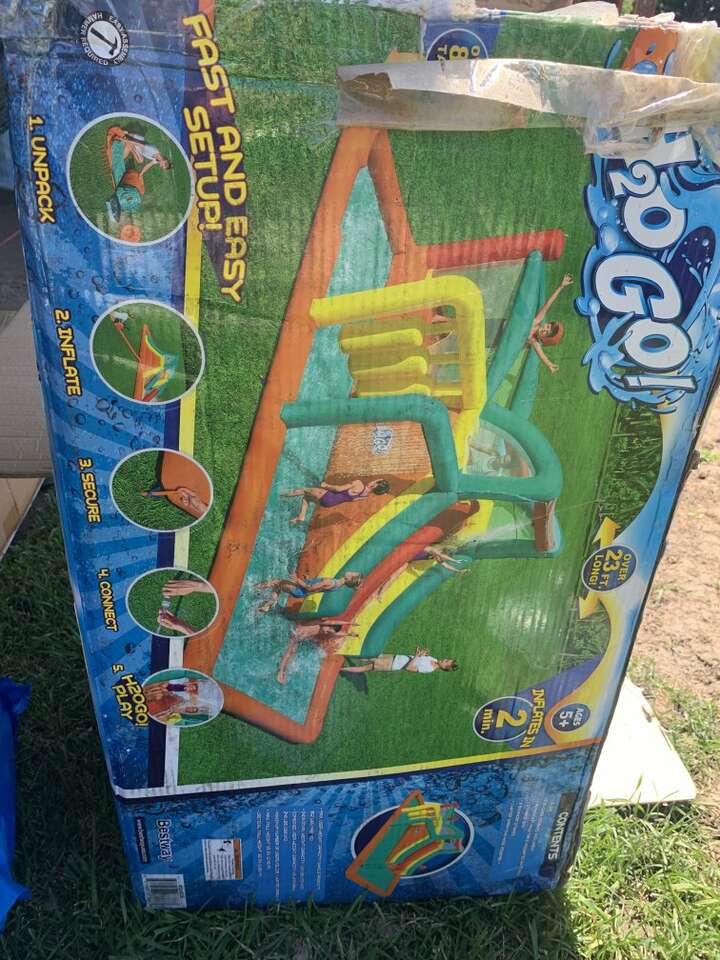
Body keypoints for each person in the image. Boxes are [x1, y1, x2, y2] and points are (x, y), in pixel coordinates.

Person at [104, 125, 172, 226]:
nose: (161, 167)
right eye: (163, 166)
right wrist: (124, 139)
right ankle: (124, 137)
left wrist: (141, 174)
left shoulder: (157, 159)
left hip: (138, 146)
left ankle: (126, 138)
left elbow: (148, 166)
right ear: (164, 161)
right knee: (121, 158)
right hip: (135, 141)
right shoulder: (153, 150)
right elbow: (138, 143)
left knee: (137, 160)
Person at [276, 619, 359, 684]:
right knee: (290, 652)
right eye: (328, 630)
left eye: (328, 632)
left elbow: (335, 633)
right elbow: (333, 622)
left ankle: (283, 670)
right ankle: (281, 671)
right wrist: (349, 623)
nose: (326, 632)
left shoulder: (323, 629)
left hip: (299, 638)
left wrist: (349, 634)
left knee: (295, 652)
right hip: (294, 633)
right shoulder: (319, 622)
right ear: (329, 625)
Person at [374, 545, 467, 601]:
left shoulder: (436, 557)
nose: (440, 559)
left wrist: (458, 571)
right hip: (403, 555)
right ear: (441, 552)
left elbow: (446, 566)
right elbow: (441, 555)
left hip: (407, 561)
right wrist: (455, 561)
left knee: (393, 577)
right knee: (388, 571)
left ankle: (380, 593)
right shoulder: (431, 549)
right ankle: (377, 588)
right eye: (441, 557)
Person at [282, 478, 390, 526]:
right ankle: (301, 516)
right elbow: (350, 499)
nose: (373, 480)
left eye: (376, 480)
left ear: (374, 485)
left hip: (328, 496)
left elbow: (338, 489)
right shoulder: (365, 496)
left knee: (303, 490)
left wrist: (326, 485)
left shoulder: (359, 483)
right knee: (306, 498)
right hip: (330, 503)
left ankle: (281, 494)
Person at [526, 273, 573, 374]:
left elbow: (542, 356)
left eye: (546, 332)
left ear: (544, 338)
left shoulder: (534, 341)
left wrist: (549, 364)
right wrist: (561, 286)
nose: (544, 329)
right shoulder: (537, 321)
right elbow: (548, 304)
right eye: (547, 326)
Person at [255, 571, 363, 613]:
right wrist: (308, 579)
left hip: (300, 589)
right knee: (278, 587)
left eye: (353, 573)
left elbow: (310, 588)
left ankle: (254, 588)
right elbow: (317, 587)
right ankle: (266, 606)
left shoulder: (330, 582)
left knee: (277, 582)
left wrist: (297, 579)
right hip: (301, 592)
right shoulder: (337, 585)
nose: (351, 571)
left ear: (349, 578)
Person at [341, 648, 458, 674]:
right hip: (396, 657)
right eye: (447, 659)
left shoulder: (429, 669)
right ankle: (345, 654)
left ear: (444, 667)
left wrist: (416, 656)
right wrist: (420, 653)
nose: (445, 659)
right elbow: (417, 658)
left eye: (446, 661)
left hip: (393, 664)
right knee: (370, 656)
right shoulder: (434, 659)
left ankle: (340, 669)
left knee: (365, 667)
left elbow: (409, 668)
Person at [141, 484, 209, 518]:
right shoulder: (195, 498)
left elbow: (191, 506)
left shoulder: (197, 507)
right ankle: (153, 492)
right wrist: (183, 490)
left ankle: (152, 493)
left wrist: (187, 502)